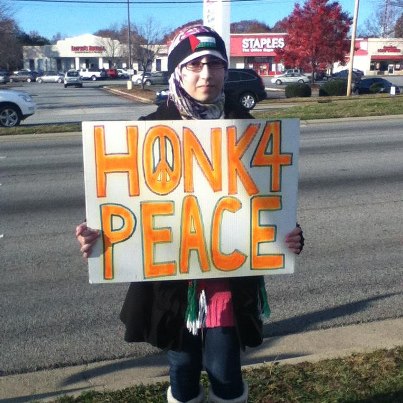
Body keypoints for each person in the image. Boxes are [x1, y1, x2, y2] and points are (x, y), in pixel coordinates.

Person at [76, 25, 304, 403]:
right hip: (171, 285)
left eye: (215, 64)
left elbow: (268, 201)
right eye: (195, 63)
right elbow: (127, 205)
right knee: (181, 369)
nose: (206, 74)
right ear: (177, 71)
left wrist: (290, 234)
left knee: (225, 371)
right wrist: (97, 236)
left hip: (227, 284)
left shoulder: (250, 130)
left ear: (226, 71)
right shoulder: (147, 131)